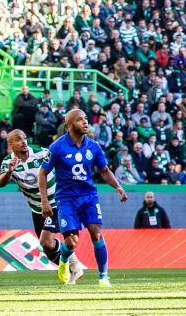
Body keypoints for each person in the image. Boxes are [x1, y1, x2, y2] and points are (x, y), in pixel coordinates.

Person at [39, 108, 128, 287]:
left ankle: (103, 277)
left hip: (88, 196)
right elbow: (42, 173)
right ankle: (64, 260)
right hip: (66, 199)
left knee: (96, 233)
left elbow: (104, 170)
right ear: (70, 125)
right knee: (72, 242)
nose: (85, 122)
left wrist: (118, 186)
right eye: (80, 120)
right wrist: (44, 201)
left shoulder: (93, 146)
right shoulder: (57, 147)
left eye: (86, 119)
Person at [0, 130, 82, 281]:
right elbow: (1, 183)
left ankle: (75, 267)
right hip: (36, 209)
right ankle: (72, 267)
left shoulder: (41, 153)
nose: (23, 142)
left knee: (46, 241)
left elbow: (63, 162)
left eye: (24, 138)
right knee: (47, 248)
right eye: (18, 139)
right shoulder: (8, 163)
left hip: (56, 203)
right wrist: (9, 171)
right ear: (10, 145)